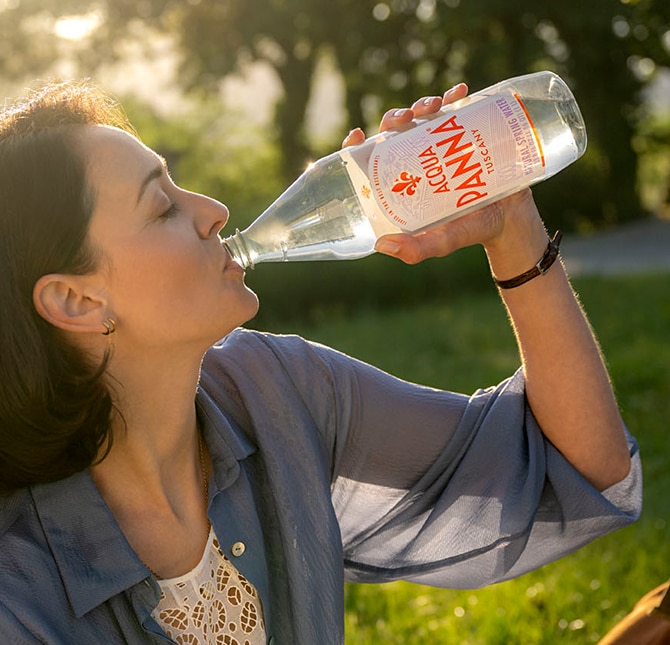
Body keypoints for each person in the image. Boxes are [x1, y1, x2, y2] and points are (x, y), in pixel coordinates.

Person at [0, 79, 641, 645]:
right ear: (76, 301)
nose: (213, 211)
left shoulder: (279, 391)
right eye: (162, 206)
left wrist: (510, 226)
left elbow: (585, 466)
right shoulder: (19, 592)